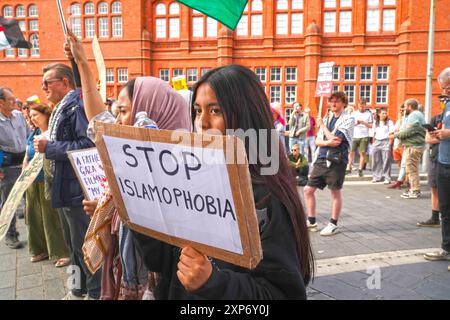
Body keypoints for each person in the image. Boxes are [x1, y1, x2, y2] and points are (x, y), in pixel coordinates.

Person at [131, 64, 314, 299]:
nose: (202, 122)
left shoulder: (265, 197)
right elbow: (163, 261)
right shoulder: (190, 181)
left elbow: (282, 294)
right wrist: (140, 209)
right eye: (197, 111)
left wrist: (213, 283)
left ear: (245, 115)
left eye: (215, 111)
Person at [64, 28, 191, 299]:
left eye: (124, 111)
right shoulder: (128, 150)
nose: (118, 121)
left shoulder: (184, 169)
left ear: (152, 108)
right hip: (127, 269)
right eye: (116, 111)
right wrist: (83, 66)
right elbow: (99, 120)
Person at [33, 63, 101, 300]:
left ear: (65, 82)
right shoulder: (63, 107)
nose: (43, 87)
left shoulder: (78, 106)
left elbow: (87, 145)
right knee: (72, 245)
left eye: (47, 82)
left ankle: (94, 293)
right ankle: (76, 289)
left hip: (76, 189)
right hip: (63, 187)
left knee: (84, 246)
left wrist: (49, 147)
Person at [24, 104, 70, 266]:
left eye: (36, 115)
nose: (33, 118)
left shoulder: (52, 133)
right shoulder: (33, 133)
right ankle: (39, 249)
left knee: (51, 217)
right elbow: (27, 152)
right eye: (31, 116)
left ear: (46, 115)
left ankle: (60, 252)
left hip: (47, 179)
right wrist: (24, 168)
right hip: (31, 180)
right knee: (33, 215)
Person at [304, 92, 355, 236]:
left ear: (343, 103)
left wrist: (322, 126)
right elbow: (318, 141)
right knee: (308, 189)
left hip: (336, 160)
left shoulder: (348, 119)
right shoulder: (327, 118)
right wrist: (326, 141)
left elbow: (336, 140)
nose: (333, 104)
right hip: (321, 158)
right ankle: (312, 220)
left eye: (337, 101)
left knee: (334, 191)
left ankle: (333, 224)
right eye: (331, 101)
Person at [424, 67, 450, 264]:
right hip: (443, 162)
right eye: (444, 88)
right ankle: (446, 248)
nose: (445, 92)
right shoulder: (447, 105)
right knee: (445, 209)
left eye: (448, 88)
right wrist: (438, 134)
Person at [0, 87, 28, 249]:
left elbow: (29, 135)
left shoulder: (19, 116)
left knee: (29, 200)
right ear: (1, 102)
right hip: (7, 166)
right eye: (10, 99)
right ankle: (10, 234)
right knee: (8, 202)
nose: (14, 101)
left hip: (24, 163)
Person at [394, 98, 425, 199]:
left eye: (405, 106)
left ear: (409, 106)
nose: (404, 109)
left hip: (413, 146)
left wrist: (396, 135)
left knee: (411, 169)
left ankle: (415, 191)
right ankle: (413, 189)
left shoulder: (414, 115)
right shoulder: (417, 114)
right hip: (414, 145)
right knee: (411, 169)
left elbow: (409, 131)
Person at [417, 108, 443, 227]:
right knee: (434, 187)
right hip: (435, 157)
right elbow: (428, 139)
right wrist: (442, 138)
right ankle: (434, 217)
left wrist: (438, 138)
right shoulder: (435, 118)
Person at [347, 97, 373, 177]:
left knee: (362, 153)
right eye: (360, 106)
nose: (361, 107)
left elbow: (371, 125)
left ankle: (360, 169)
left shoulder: (369, 114)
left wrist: (364, 123)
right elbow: (350, 124)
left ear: (365, 105)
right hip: (354, 135)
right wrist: (357, 123)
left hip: (364, 135)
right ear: (358, 105)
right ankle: (349, 167)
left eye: (363, 106)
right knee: (351, 152)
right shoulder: (354, 113)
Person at [371, 108, 394, 183]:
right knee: (376, 160)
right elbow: (374, 134)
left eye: (386, 113)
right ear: (379, 114)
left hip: (386, 141)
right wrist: (373, 143)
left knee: (386, 160)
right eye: (383, 113)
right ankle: (376, 176)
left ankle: (387, 177)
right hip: (377, 142)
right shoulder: (376, 123)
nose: (385, 114)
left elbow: (391, 134)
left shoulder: (389, 122)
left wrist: (390, 144)